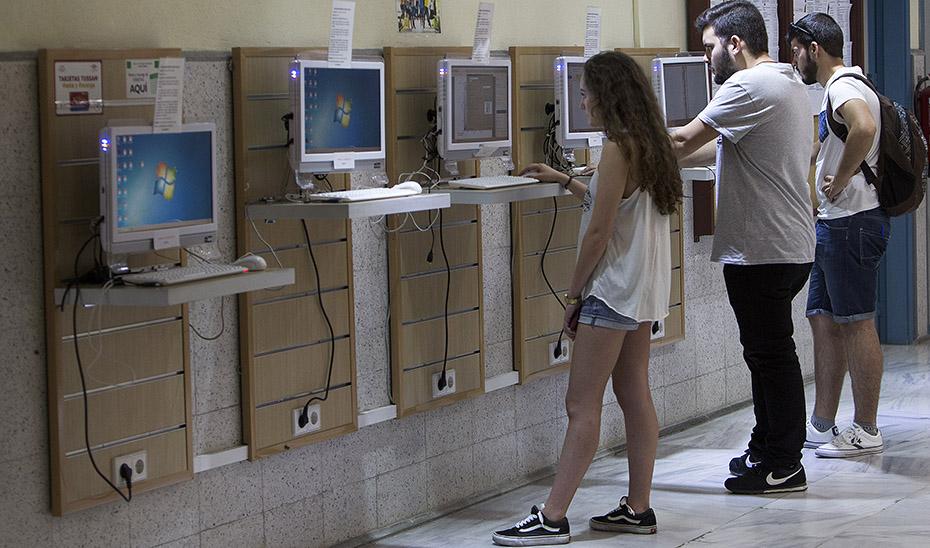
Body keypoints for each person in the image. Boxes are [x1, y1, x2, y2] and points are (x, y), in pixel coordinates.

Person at [491, 50, 682, 546]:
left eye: (587, 91)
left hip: (612, 291)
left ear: (607, 96)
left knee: (581, 404)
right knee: (634, 395)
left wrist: (574, 293)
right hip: (641, 291)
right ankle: (639, 508)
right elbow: (616, 206)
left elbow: (599, 232)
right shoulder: (650, 142)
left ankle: (553, 516)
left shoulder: (618, 147)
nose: (581, 99)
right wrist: (569, 180)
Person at [670, 0, 815, 494]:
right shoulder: (787, 81)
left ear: (735, 44)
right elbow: (721, 144)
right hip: (787, 243)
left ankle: (785, 463)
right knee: (764, 352)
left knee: (771, 355)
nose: (707, 58)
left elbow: (685, 139)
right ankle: (766, 445)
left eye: (710, 47)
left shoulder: (747, 84)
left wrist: (620, 139)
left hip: (763, 248)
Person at [787, 13, 890, 458]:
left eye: (795, 50)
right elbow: (845, 134)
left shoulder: (842, 87)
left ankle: (866, 428)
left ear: (815, 49)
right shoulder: (852, 83)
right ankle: (822, 424)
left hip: (852, 221)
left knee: (856, 322)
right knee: (823, 319)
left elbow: (863, 128)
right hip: (836, 223)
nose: (794, 59)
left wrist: (841, 176)